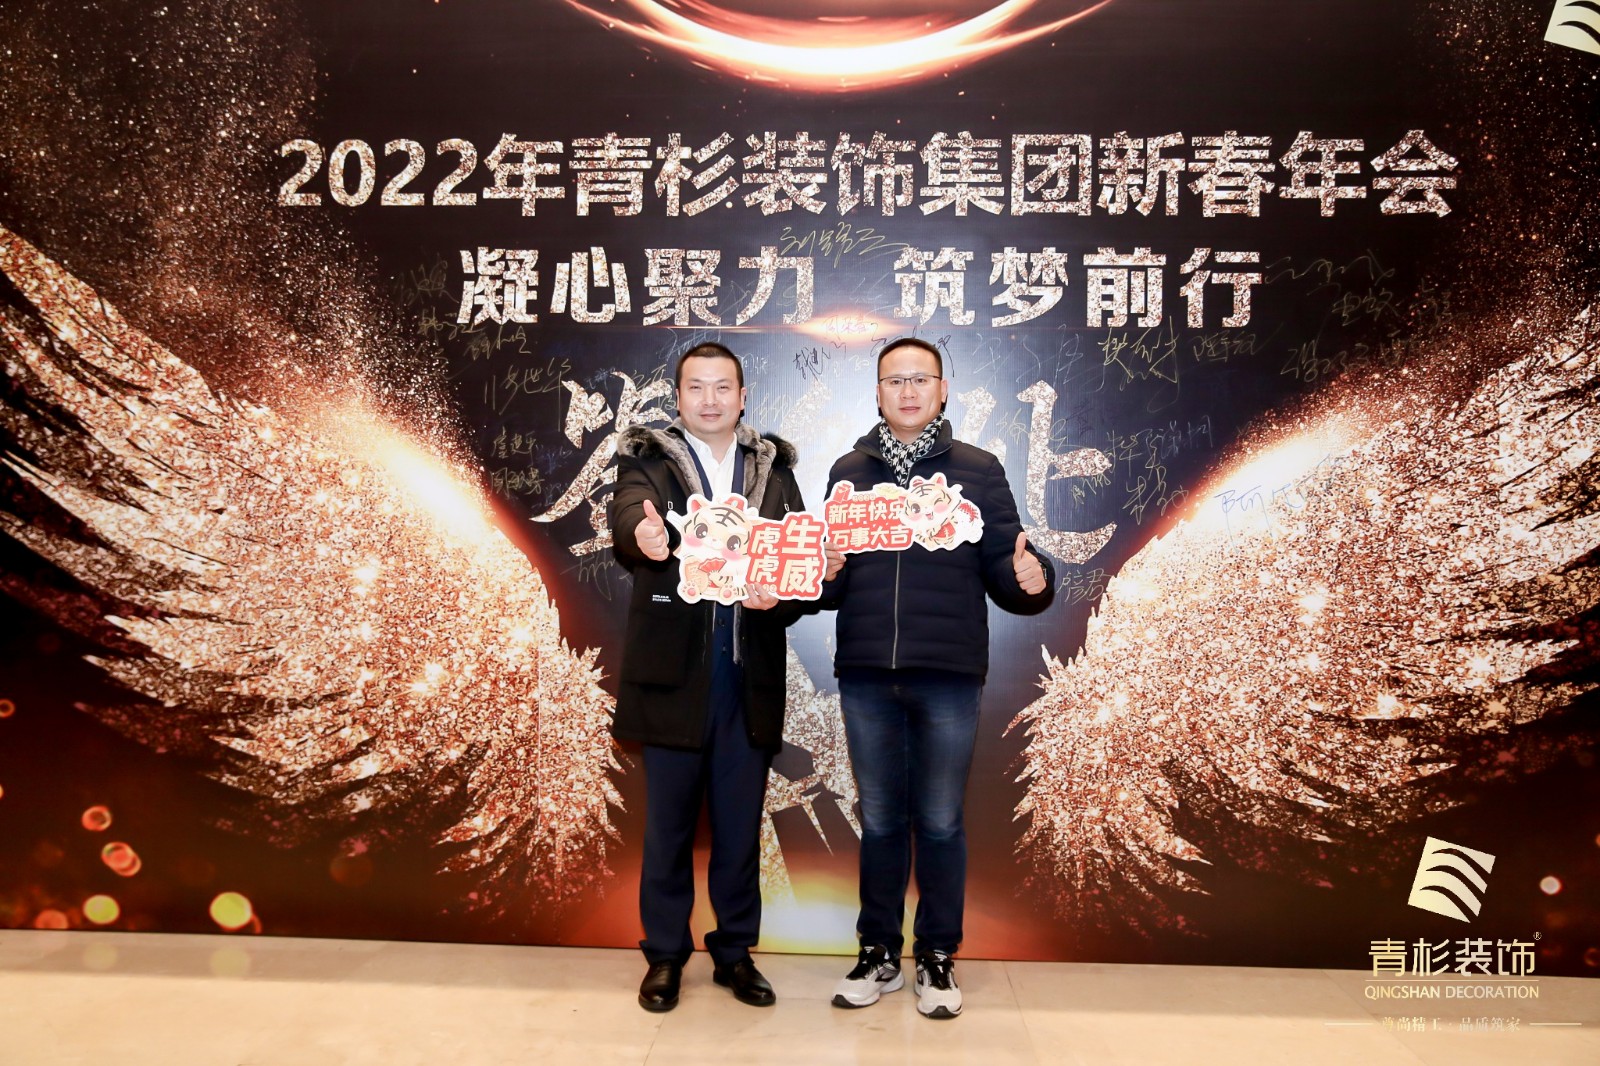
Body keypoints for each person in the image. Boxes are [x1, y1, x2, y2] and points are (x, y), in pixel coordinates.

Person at [823, 337, 1054, 1019]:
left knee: (941, 821)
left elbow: (1005, 562)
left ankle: (936, 954)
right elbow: (828, 585)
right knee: (880, 820)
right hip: (866, 671)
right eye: (894, 380)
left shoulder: (977, 469)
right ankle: (878, 951)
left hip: (948, 672)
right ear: (877, 393)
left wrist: (1032, 575)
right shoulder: (849, 471)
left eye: (920, 378)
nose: (908, 390)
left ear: (942, 389)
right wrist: (823, 571)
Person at [610, 341, 841, 1012]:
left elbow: (797, 571)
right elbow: (629, 515)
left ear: (743, 397)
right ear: (677, 396)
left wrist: (805, 581)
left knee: (741, 831)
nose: (709, 399)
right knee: (669, 831)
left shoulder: (773, 470)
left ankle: (735, 952)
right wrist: (643, 537)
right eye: (696, 387)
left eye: (722, 387)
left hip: (748, 676)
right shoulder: (647, 460)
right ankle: (665, 954)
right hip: (672, 676)